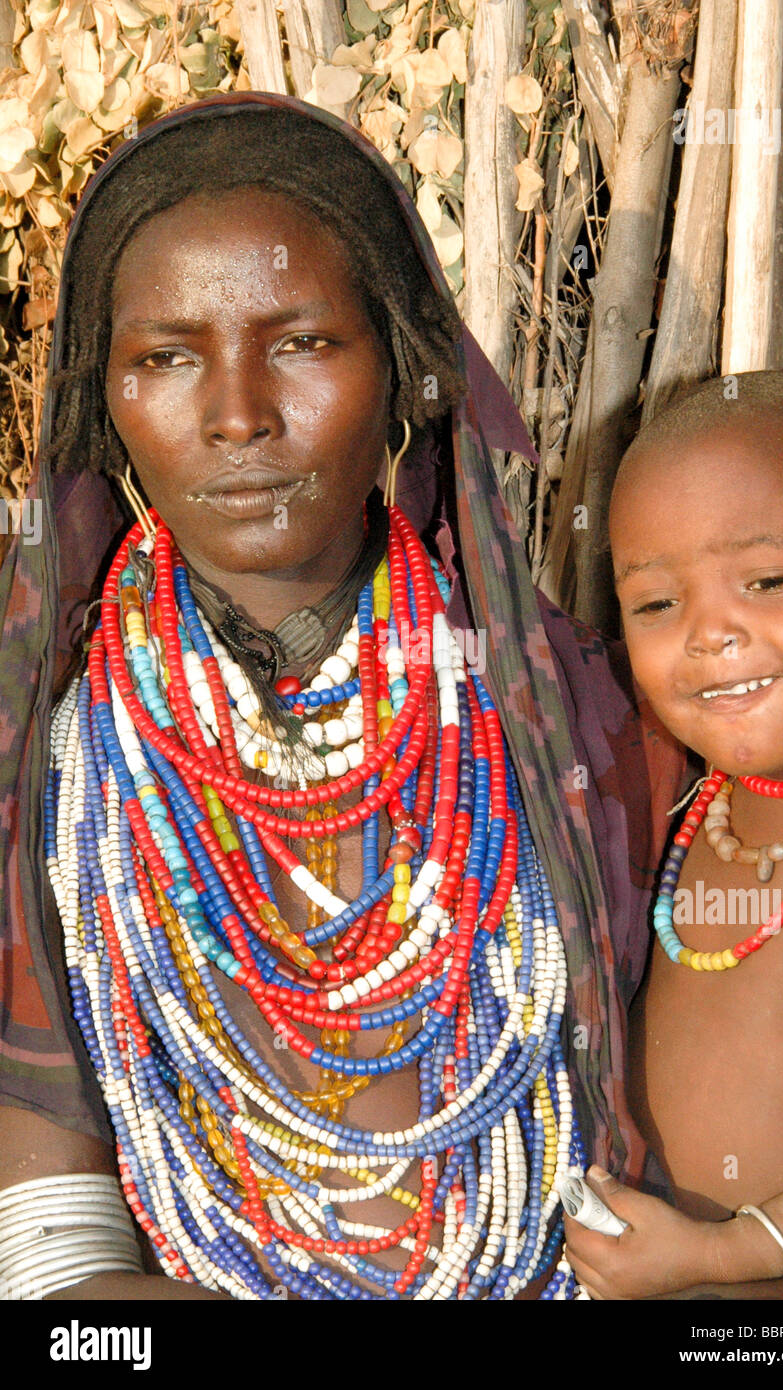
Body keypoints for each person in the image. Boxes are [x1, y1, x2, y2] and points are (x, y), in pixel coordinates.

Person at [0, 92, 681, 1301]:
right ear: (104, 404)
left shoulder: (590, 725)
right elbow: (52, 1276)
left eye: (303, 342)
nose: (238, 417)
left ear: (408, 369)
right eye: (164, 357)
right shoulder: (49, 779)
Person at [564, 370, 783, 1300]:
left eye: (767, 581)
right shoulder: (691, 806)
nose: (710, 634)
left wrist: (740, 1258)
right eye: (656, 604)